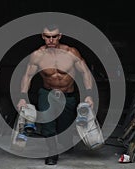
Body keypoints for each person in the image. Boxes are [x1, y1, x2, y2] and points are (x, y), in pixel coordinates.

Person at [17, 24, 94, 165]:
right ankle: (52, 152)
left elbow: (85, 73)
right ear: (43, 37)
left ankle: (66, 141)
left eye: (54, 37)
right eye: (47, 37)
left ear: (59, 36)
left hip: (68, 95)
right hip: (47, 93)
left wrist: (89, 94)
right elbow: (27, 76)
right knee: (48, 125)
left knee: (65, 129)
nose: (51, 40)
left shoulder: (71, 53)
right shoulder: (38, 55)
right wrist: (22, 97)